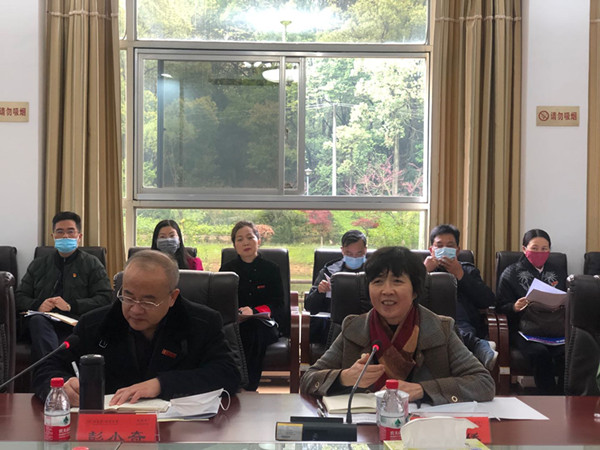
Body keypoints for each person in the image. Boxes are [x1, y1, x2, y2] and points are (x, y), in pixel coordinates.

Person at [33, 250, 240, 405]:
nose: (136, 309)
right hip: (110, 430)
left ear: (172, 297)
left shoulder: (202, 322)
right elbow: (45, 368)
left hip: (178, 431)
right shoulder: (95, 324)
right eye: (129, 296)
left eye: (148, 301)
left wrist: (161, 384)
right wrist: (63, 385)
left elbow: (228, 373)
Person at [300, 246, 495, 405]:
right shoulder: (354, 328)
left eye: (397, 281)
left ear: (415, 291)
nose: (386, 291)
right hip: (365, 427)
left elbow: (484, 383)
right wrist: (345, 377)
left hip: (423, 428)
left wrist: (422, 390)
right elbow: (308, 379)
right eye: (377, 281)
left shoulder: (440, 329)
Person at [16, 211, 112, 362]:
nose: (65, 236)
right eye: (60, 232)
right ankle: (52, 367)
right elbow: (19, 296)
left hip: (74, 321)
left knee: (72, 336)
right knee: (37, 321)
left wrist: (70, 305)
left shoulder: (92, 263)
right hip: (42, 321)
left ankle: (49, 369)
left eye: (70, 231)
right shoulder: (38, 264)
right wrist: (38, 305)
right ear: (53, 236)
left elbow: (105, 298)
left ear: (79, 236)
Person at [496, 229, 567, 395]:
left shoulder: (558, 272)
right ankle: (548, 397)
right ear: (524, 249)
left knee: (568, 353)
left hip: (555, 328)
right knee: (540, 353)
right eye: (534, 248)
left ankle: (564, 397)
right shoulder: (511, 273)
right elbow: (499, 306)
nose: (539, 253)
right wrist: (514, 307)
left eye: (544, 249)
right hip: (525, 330)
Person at [219, 221, 284, 391]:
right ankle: (232, 384)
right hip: (235, 323)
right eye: (239, 239)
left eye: (250, 237)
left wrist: (254, 311)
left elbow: (278, 304)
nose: (245, 243)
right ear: (235, 245)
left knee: (253, 330)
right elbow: (220, 302)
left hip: (265, 324)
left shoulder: (271, 269)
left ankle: (248, 386)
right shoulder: (227, 270)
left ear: (258, 240)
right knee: (236, 332)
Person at [424, 224, 497, 370]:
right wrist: (423, 271)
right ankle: (478, 345)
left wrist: (460, 274)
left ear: (457, 250)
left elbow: (487, 300)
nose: (444, 249)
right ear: (431, 249)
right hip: (429, 321)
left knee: (455, 314)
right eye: (439, 245)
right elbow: (407, 296)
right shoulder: (421, 270)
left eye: (450, 246)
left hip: (463, 323)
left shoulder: (468, 270)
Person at [305, 230, 368, 344]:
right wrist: (319, 292)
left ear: (365, 250)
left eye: (359, 253)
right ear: (342, 250)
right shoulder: (329, 271)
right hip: (334, 325)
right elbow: (309, 305)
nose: (354, 257)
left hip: (365, 323)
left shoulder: (375, 272)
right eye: (349, 253)